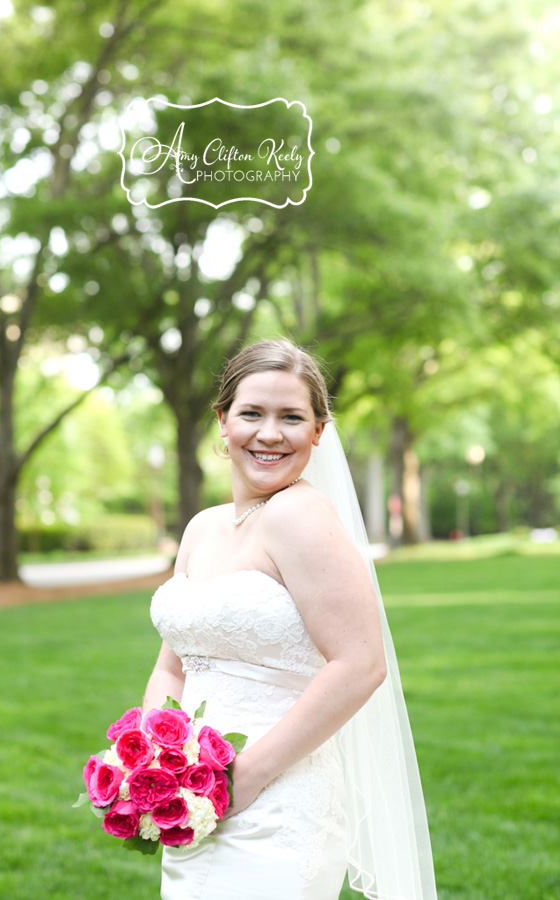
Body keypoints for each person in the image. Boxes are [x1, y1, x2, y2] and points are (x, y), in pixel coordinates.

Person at [145, 339, 438, 900]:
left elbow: (360, 664)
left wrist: (246, 777)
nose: (270, 433)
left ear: (319, 432)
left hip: (275, 806)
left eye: (292, 417)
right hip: (193, 803)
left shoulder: (301, 517)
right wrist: (158, 762)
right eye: (252, 413)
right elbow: (172, 667)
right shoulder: (202, 528)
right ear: (222, 421)